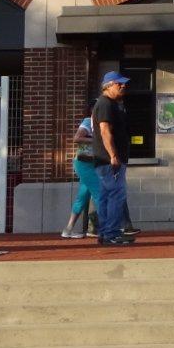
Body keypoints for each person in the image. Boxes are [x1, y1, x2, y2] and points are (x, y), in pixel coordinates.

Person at [92, 71, 135, 246]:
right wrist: (113, 155)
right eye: (119, 83)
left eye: (124, 83)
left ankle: (104, 233)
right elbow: (104, 131)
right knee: (117, 195)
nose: (123, 86)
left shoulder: (108, 104)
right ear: (109, 86)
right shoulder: (105, 104)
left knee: (105, 197)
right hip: (109, 160)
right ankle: (112, 233)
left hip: (104, 160)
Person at [61, 117, 103, 240]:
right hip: (84, 164)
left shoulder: (102, 124)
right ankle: (108, 229)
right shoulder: (88, 122)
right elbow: (77, 138)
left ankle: (68, 229)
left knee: (83, 196)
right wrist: (96, 140)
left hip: (93, 164)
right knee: (99, 194)